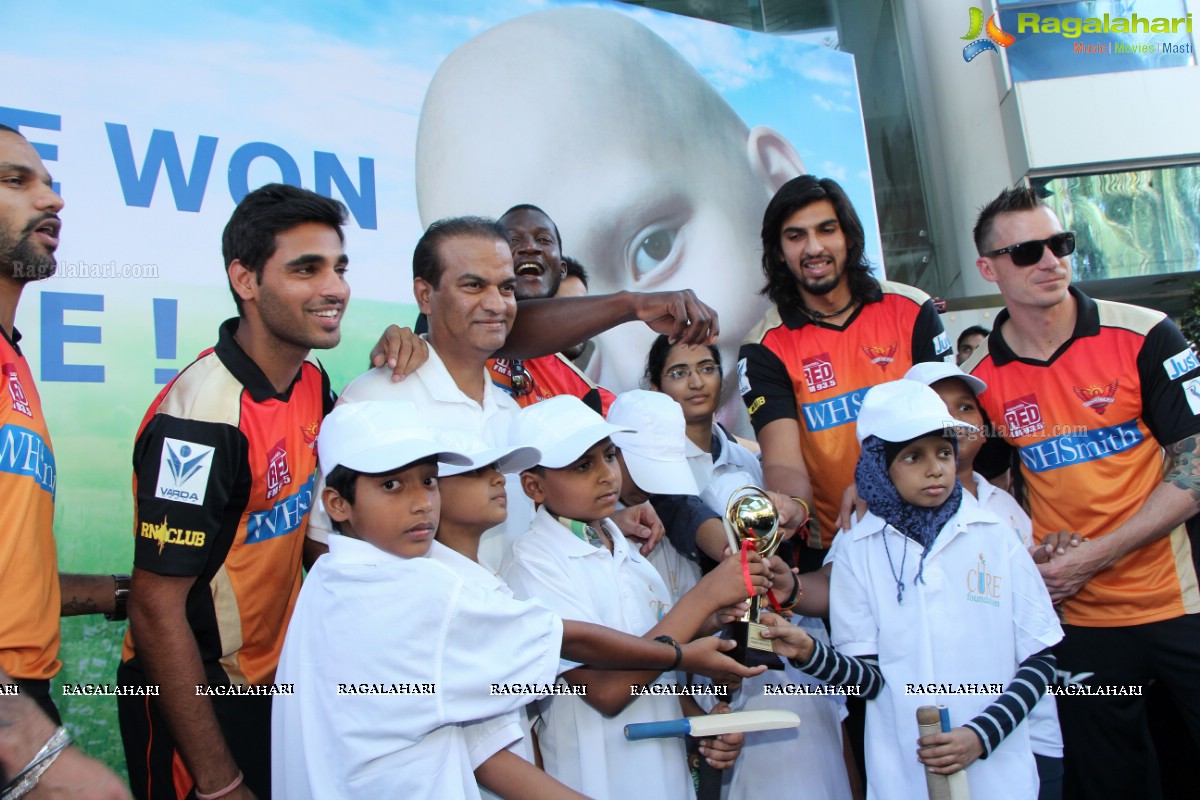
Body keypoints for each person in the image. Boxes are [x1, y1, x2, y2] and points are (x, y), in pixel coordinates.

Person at [415, 7, 810, 431]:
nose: (635, 366)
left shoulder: (884, 319)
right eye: (483, 286)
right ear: (426, 298)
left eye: (654, 247)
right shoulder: (440, 379)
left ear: (776, 181)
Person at [964, 185, 1200, 798]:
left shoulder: (1147, 334)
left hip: (1184, 605)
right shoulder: (983, 381)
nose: (1050, 260)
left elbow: (1196, 466)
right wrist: (1030, 550)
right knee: (1111, 782)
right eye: (1027, 251)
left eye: (1060, 243)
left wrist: (1096, 555)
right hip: (1080, 622)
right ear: (989, 269)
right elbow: (976, 481)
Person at [118, 184, 352, 800]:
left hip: (274, 681)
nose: (335, 288)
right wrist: (218, 782)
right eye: (307, 269)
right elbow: (154, 609)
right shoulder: (201, 423)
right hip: (193, 693)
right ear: (245, 280)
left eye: (339, 266)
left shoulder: (309, 377)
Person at [322, 215, 720, 570]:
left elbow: (521, 537)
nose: (496, 304)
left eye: (506, 288)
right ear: (425, 294)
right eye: (473, 285)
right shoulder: (374, 401)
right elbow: (325, 547)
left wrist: (607, 521)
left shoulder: (510, 410)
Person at [762, 380, 1063, 800]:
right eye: (912, 457)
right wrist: (809, 655)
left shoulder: (994, 534)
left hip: (998, 774)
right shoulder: (859, 548)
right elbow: (867, 681)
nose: (935, 468)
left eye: (943, 452)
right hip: (904, 777)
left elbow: (1040, 659)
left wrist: (980, 735)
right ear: (877, 466)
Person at [431, 422, 760, 800]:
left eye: (608, 456)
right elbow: (605, 690)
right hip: (597, 782)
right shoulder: (533, 562)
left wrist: (703, 723)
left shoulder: (628, 551)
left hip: (667, 780)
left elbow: (653, 672)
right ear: (534, 487)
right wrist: (703, 598)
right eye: (583, 466)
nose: (607, 475)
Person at [739, 175, 951, 568]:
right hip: (841, 551)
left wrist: (877, 484)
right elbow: (783, 462)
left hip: (934, 530)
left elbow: (955, 431)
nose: (814, 248)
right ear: (779, 251)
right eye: (796, 236)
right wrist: (792, 509)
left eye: (827, 230)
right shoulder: (764, 347)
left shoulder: (912, 309)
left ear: (849, 237)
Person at [0, 123, 134, 724]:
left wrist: (122, 593)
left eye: (50, 184)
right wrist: (16, 733)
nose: (53, 200)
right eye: (15, 180)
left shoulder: (12, 359)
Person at [905, 360, 1066, 799]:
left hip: (1034, 728)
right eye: (938, 407)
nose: (956, 420)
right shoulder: (884, 520)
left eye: (967, 407)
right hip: (953, 737)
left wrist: (1046, 564)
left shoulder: (1006, 506)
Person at [488, 205, 614, 415]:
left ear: (561, 270)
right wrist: (633, 304)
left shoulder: (585, 393)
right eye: (513, 239)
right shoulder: (461, 335)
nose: (530, 247)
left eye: (544, 240)